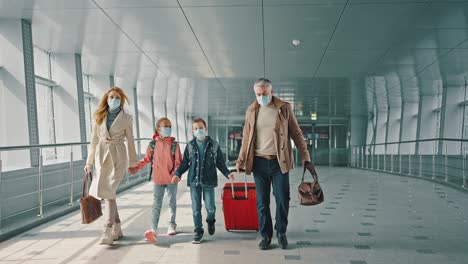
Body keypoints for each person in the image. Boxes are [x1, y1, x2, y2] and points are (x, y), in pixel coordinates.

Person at [236, 78, 311, 250]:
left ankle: (281, 232)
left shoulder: (284, 108)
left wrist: (305, 154)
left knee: (282, 198)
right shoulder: (251, 110)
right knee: (262, 202)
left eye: (265, 93)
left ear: (272, 92)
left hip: (279, 162)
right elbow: (246, 138)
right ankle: (266, 235)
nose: (261, 97)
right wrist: (241, 160)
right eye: (258, 94)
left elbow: (296, 133)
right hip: (259, 163)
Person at [84, 87, 138, 245]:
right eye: (111, 97)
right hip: (102, 157)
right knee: (109, 193)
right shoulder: (99, 116)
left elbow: (131, 141)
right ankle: (118, 228)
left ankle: (107, 230)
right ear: (106, 99)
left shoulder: (127, 118)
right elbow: (93, 141)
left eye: (117, 97)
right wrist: (89, 162)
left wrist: (133, 163)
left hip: (118, 157)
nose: (113, 100)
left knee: (109, 192)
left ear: (121, 100)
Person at [172, 118, 235, 244]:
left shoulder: (214, 145)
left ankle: (210, 221)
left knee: (210, 208)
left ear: (206, 129)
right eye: (195, 128)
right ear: (192, 131)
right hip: (194, 182)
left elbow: (220, 163)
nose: (198, 130)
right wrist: (177, 174)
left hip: (208, 181)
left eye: (200, 128)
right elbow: (185, 163)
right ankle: (198, 231)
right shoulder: (190, 145)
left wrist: (228, 173)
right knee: (196, 208)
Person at [129, 117, 182, 244]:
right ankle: (153, 229)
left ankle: (171, 224)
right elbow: (147, 159)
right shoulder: (153, 144)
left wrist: (175, 175)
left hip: (171, 180)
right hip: (158, 179)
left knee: (171, 202)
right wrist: (137, 167)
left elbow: (178, 162)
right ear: (158, 129)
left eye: (169, 126)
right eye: (165, 126)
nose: (168, 129)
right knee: (156, 204)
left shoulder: (174, 145)